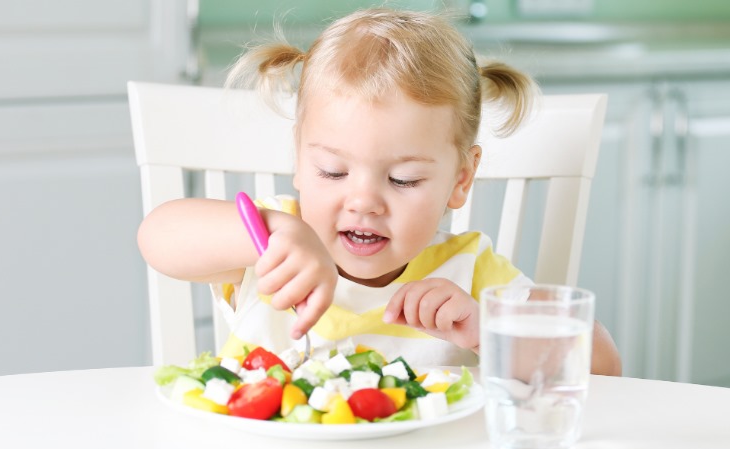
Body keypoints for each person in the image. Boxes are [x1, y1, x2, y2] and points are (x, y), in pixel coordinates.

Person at [137, 8, 621, 374]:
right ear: (299, 162)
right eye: (331, 171)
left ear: (460, 180)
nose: (364, 201)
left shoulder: (471, 272)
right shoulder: (267, 246)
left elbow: (602, 367)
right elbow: (157, 236)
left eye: (403, 180)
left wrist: (488, 333)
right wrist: (278, 231)